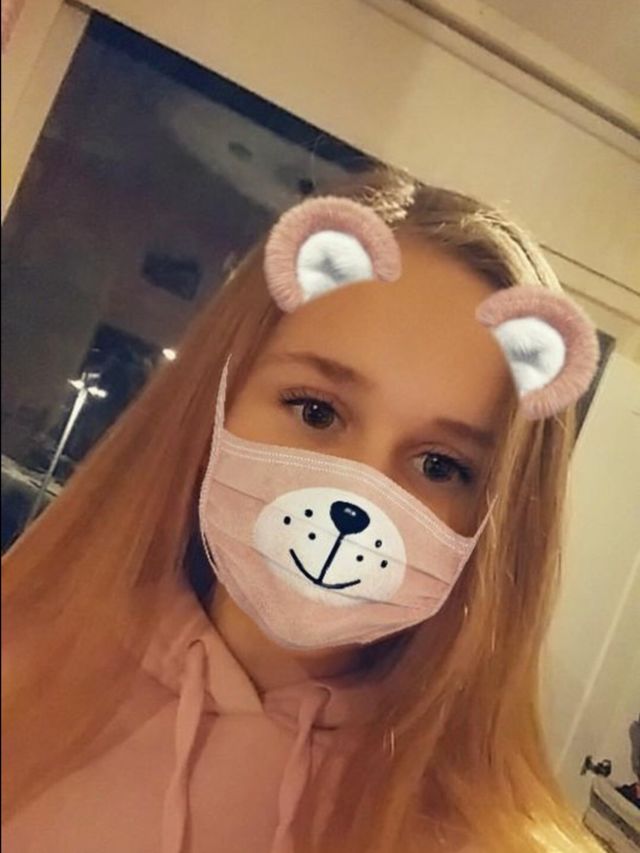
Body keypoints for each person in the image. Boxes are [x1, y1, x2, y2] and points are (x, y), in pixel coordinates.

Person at [1, 170, 603, 852]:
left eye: (441, 465)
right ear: (218, 396)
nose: (358, 491)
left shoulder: (482, 837)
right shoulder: (22, 673)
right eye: (316, 411)